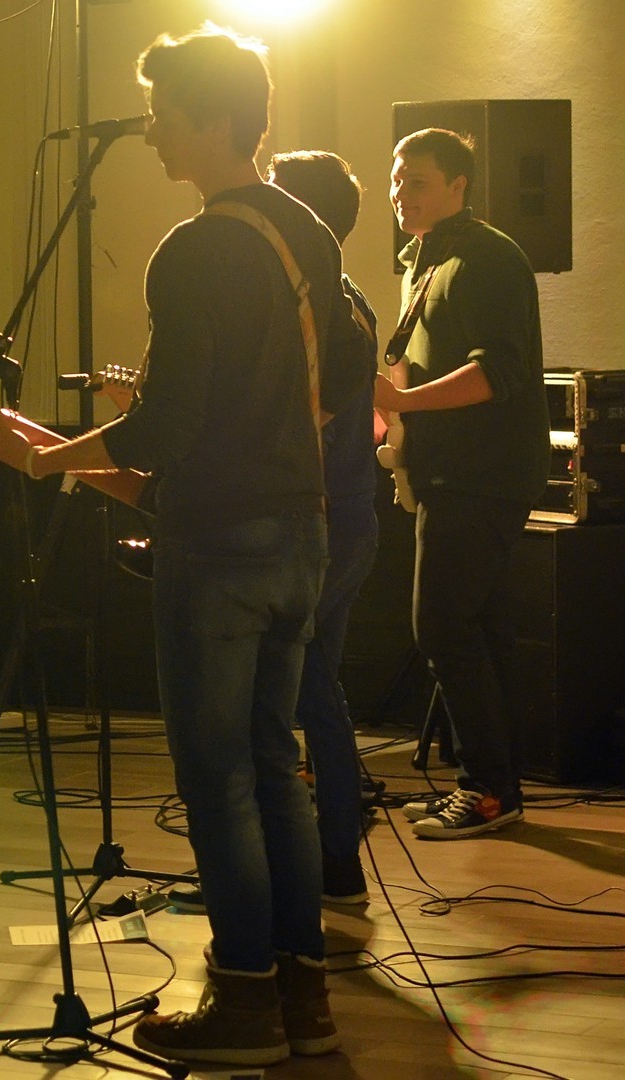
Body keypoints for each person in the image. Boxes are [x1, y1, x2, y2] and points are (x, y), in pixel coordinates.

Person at [0, 23, 372, 1068]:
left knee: (217, 778)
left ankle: (242, 1004)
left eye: (163, 113)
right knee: (275, 766)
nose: (148, 132)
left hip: (219, 545)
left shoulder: (193, 250)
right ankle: (300, 1000)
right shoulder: (309, 233)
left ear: (214, 120)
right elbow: (321, 381)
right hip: (304, 532)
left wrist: (50, 458)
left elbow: (166, 427)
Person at [372, 128, 550, 839]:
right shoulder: (427, 260)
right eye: (396, 179)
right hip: (453, 475)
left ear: (458, 186)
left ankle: (485, 790)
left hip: (482, 476)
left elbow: (497, 373)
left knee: (442, 627)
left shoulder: (486, 257)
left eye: (415, 181)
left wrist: (402, 402)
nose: (399, 193)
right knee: (481, 630)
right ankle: (494, 788)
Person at [268, 150, 378, 900]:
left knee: (295, 694)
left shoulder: (322, 309)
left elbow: (306, 423)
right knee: (317, 690)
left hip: (323, 524)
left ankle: (314, 861)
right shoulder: (349, 299)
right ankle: (333, 858)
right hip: (350, 519)